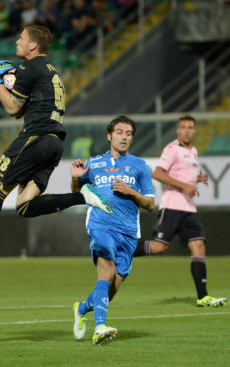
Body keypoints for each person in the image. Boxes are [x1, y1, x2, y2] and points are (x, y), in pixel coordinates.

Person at [0, 25, 112, 268]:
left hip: (35, 138)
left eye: (22, 38)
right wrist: (10, 84)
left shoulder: (30, 67)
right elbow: (22, 110)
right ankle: (82, 196)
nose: (17, 41)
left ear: (33, 45)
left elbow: (12, 108)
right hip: (54, 143)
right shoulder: (51, 71)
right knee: (24, 205)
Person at [71, 115, 155, 345]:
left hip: (129, 232)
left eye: (128, 134)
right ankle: (100, 327)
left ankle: (81, 308)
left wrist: (132, 192)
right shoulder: (94, 163)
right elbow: (78, 193)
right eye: (119, 132)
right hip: (101, 225)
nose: (124, 137)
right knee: (106, 273)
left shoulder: (140, 166)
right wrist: (76, 179)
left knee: (112, 289)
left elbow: (150, 204)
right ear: (109, 135)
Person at [133, 115, 227, 308]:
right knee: (159, 247)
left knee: (199, 245)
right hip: (172, 206)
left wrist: (197, 179)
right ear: (178, 130)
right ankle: (123, 251)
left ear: (194, 130)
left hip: (189, 208)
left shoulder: (193, 151)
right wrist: (185, 186)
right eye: (183, 127)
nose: (186, 131)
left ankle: (203, 296)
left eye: (190, 127)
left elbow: (183, 175)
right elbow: (158, 173)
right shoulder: (172, 149)